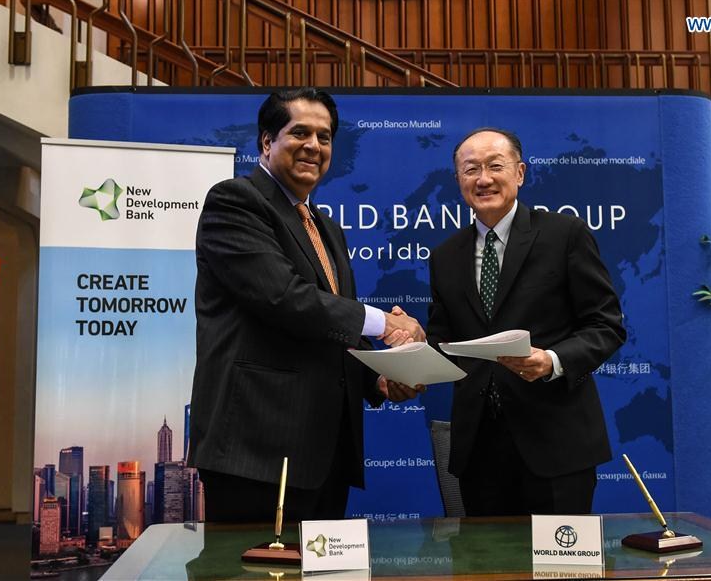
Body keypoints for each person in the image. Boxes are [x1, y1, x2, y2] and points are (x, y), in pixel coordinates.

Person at [188, 88, 424, 523]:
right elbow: (285, 299)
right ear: (266, 142)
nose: (314, 146)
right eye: (300, 132)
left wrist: (380, 381)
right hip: (255, 452)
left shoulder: (328, 229)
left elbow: (327, 335)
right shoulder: (235, 202)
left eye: (325, 136)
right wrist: (385, 325)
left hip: (324, 454)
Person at [427, 128, 626, 516]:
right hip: (478, 450)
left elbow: (606, 325)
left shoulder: (564, 235)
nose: (483, 179)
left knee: (563, 573)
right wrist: (412, 346)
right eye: (470, 170)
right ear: (458, 181)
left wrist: (552, 361)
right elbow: (443, 340)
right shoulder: (445, 256)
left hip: (557, 444)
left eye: (494, 166)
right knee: (490, 571)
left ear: (520, 173)